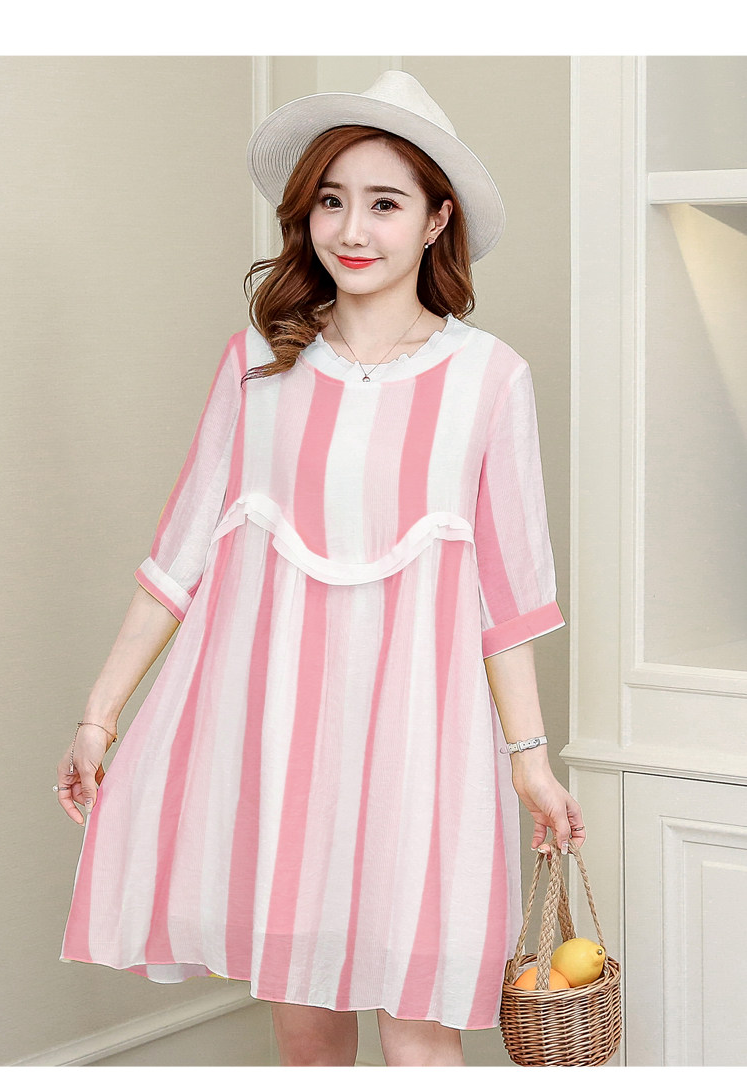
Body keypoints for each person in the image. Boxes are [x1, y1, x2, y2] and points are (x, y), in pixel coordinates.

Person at [55, 70, 585, 1067]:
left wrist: (531, 761)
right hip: (278, 743)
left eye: (385, 203)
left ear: (436, 220)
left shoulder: (488, 379)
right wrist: (99, 716)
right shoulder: (259, 366)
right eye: (332, 201)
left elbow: (511, 598)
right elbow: (178, 557)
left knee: (420, 1036)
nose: (352, 228)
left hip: (422, 748)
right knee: (305, 1036)